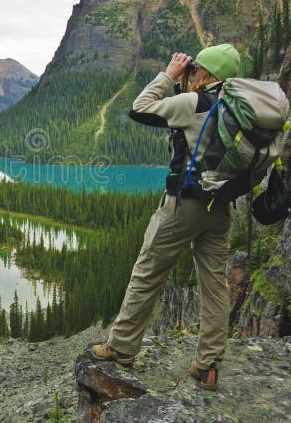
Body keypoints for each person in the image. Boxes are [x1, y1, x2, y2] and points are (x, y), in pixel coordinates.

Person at [90, 43, 241, 391]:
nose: (189, 76)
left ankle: (121, 347)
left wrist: (168, 75)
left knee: (148, 270)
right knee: (215, 285)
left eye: (194, 71)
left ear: (204, 74)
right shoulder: (234, 107)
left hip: (183, 205)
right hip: (218, 208)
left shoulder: (194, 102)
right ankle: (209, 365)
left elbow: (140, 108)